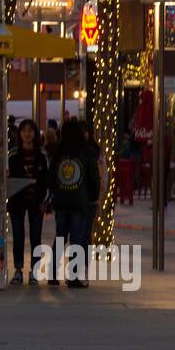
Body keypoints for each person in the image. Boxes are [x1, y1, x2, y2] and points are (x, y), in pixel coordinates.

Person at [47, 120, 100, 288]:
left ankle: (53, 274)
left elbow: (51, 178)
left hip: (62, 201)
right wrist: (92, 197)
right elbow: (93, 179)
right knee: (77, 238)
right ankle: (74, 276)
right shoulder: (86, 153)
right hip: (80, 202)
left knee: (60, 237)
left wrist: (56, 193)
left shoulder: (58, 152)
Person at [6, 119, 50, 286]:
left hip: (36, 202)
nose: (27, 133)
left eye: (30, 130)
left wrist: (45, 201)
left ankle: (35, 271)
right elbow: (8, 179)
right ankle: (18, 270)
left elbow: (47, 180)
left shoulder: (42, 155)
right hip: (17, 201)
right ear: (19, 133)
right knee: (18, 236)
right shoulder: (13, 155)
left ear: (35, 133)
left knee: (35, 237)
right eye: (24, 130)